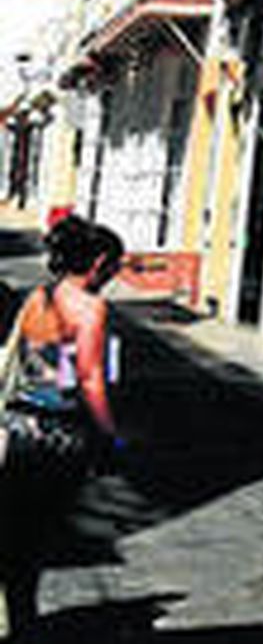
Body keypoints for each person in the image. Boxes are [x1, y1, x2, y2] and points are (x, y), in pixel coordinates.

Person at [0, 214, 124, 636]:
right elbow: (89, 379)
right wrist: (109, 435)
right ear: (99, 262)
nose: (113, 274)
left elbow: (35, 361)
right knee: (37, 533)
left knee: (16, 529)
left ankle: (18, 615)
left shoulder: (39, 297)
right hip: (59, 436)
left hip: (19, 426)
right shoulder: (91, 308)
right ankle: (24, 624)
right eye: (114, 266)